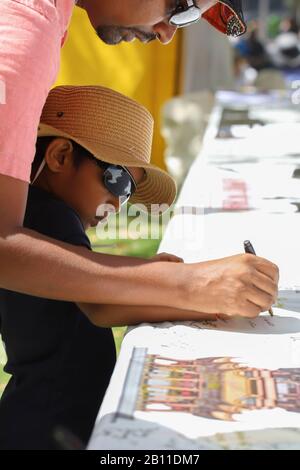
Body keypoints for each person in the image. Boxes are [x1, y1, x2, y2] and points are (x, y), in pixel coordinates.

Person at [0, 84, 278, 449]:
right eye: (116, 181)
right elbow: (101, 304)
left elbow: (90, 291)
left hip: (42, 412)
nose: (117, 203)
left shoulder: (33, 213)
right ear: (61, 156)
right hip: (48, 425)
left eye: (127, 192)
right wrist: (205, 292)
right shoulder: (48, 214)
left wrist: (164, 281)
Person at [0, 1, 263, 324]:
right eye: (180, 6)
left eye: (188, 17)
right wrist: (189, 284)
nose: (167, 34)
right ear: (60, 156)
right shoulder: (24, 31)